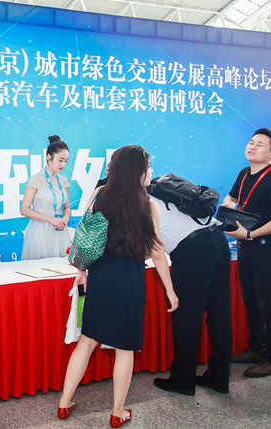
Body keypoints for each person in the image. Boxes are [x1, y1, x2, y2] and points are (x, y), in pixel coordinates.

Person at [57, 145, 178, 428]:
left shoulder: (100, 194)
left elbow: (85, 235)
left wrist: (82, 270)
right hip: (129, 278)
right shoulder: (146, 203)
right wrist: (170, 290)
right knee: (125, 348)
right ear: (138, 170)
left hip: (100, 275)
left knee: (87, 341)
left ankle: (64, 403)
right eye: (148, 166)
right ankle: (117, 411)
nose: (150, 171)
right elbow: (157, 251)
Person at [151, 181, 232, 396]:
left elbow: (155, 250)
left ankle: (182, 380)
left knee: (187, 316)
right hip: (217, 239)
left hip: (193, 249)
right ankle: (219, 377)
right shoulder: (164, 190)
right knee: (220, 314)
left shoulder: (144, 202)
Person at [221, 128, 271, 378]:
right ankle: (254, 349)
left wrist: (250, 234)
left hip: (265, 248)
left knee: (268, 303)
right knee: (250, 300)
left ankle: (269, 359)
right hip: (245, 248)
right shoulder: (244, 173)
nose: (252, 147)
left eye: (260, 144)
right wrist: (227, 209)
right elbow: (232, 198)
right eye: (251, 142)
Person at [21, 135, 72, 260]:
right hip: (40, 230)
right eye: (60, 160)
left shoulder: (63, 181)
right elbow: (24, 210)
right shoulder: (36, 180)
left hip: (60, 230)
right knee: (39, 266)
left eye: (66, 161)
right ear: (49, 157)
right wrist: (50, 219)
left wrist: (65, 218)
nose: (63, 164)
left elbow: (67, 207)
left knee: (60, 266)